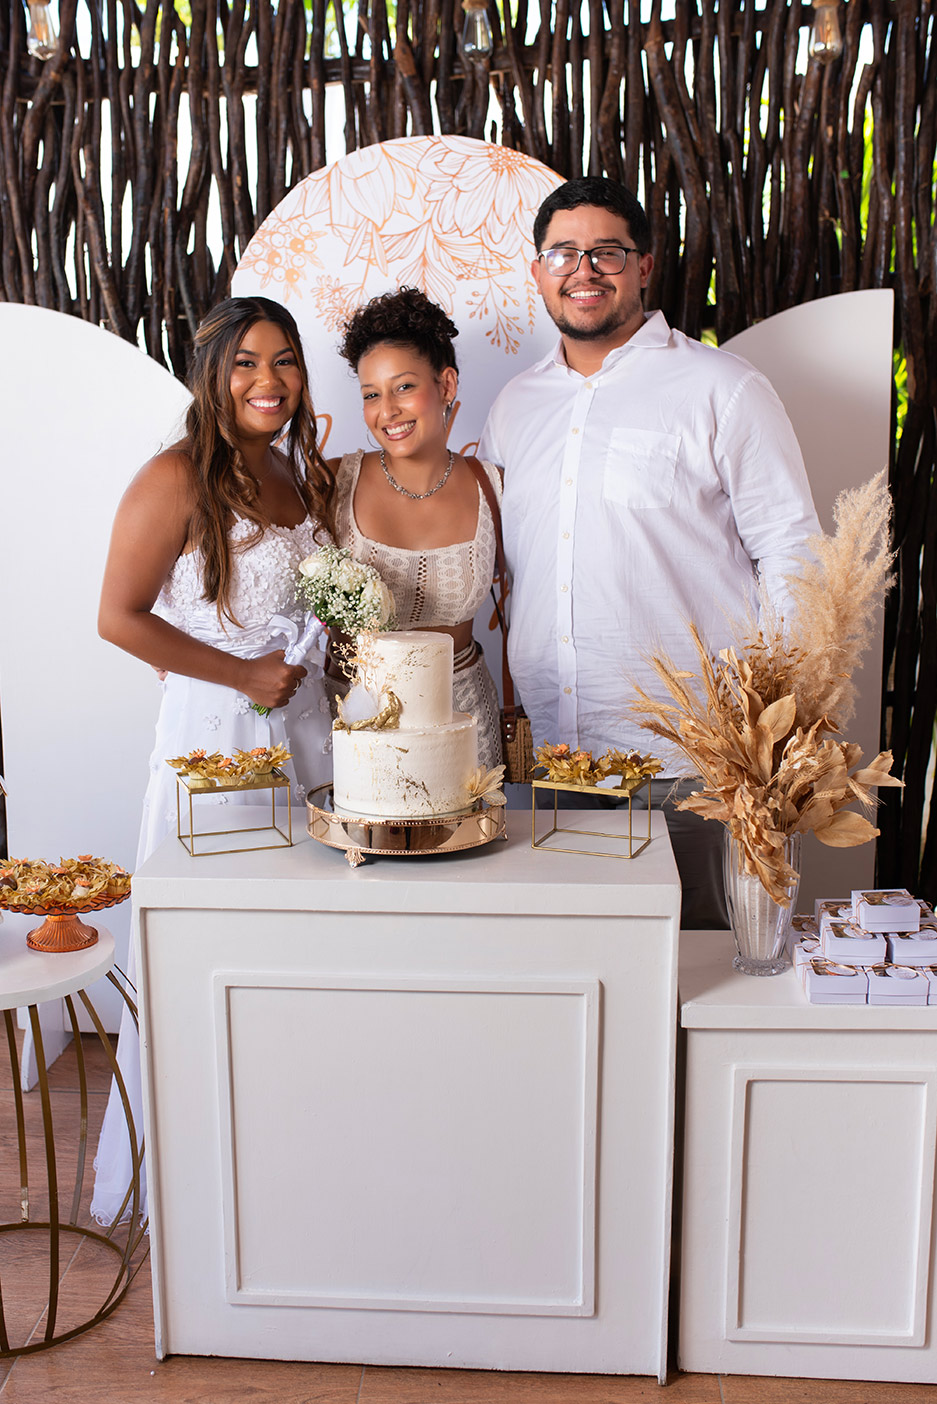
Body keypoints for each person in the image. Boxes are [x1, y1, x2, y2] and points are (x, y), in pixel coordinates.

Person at [478, 178, 821, 928]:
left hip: (690, 757)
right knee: (576, 964)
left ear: (643, 267)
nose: (584, 270)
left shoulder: (721, 388)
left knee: (696, 959)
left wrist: (778, 721)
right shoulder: (514, 406)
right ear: (538, 272)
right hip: (557, 758)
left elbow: (791, 547)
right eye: (563, 253)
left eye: (606, 252)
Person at [91, 295, 336, 1225]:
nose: (268, 381)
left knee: (296, 947)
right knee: (216, 948)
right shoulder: (174, 477)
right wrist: (240, 673)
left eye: (284, 361)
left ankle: (281, 1159)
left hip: (304, 730)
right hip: (217, 737)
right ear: (211, 372)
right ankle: (194, 1184)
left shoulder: (289, 471)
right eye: (246, 363)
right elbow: (117, 616)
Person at [333, 286, 503, 770]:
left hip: (463, 718)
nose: (386, 411)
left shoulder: (493, 487)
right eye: (371, 394)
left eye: (404, 387)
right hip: (358, 721)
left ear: (446, 385)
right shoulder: (333, 481)